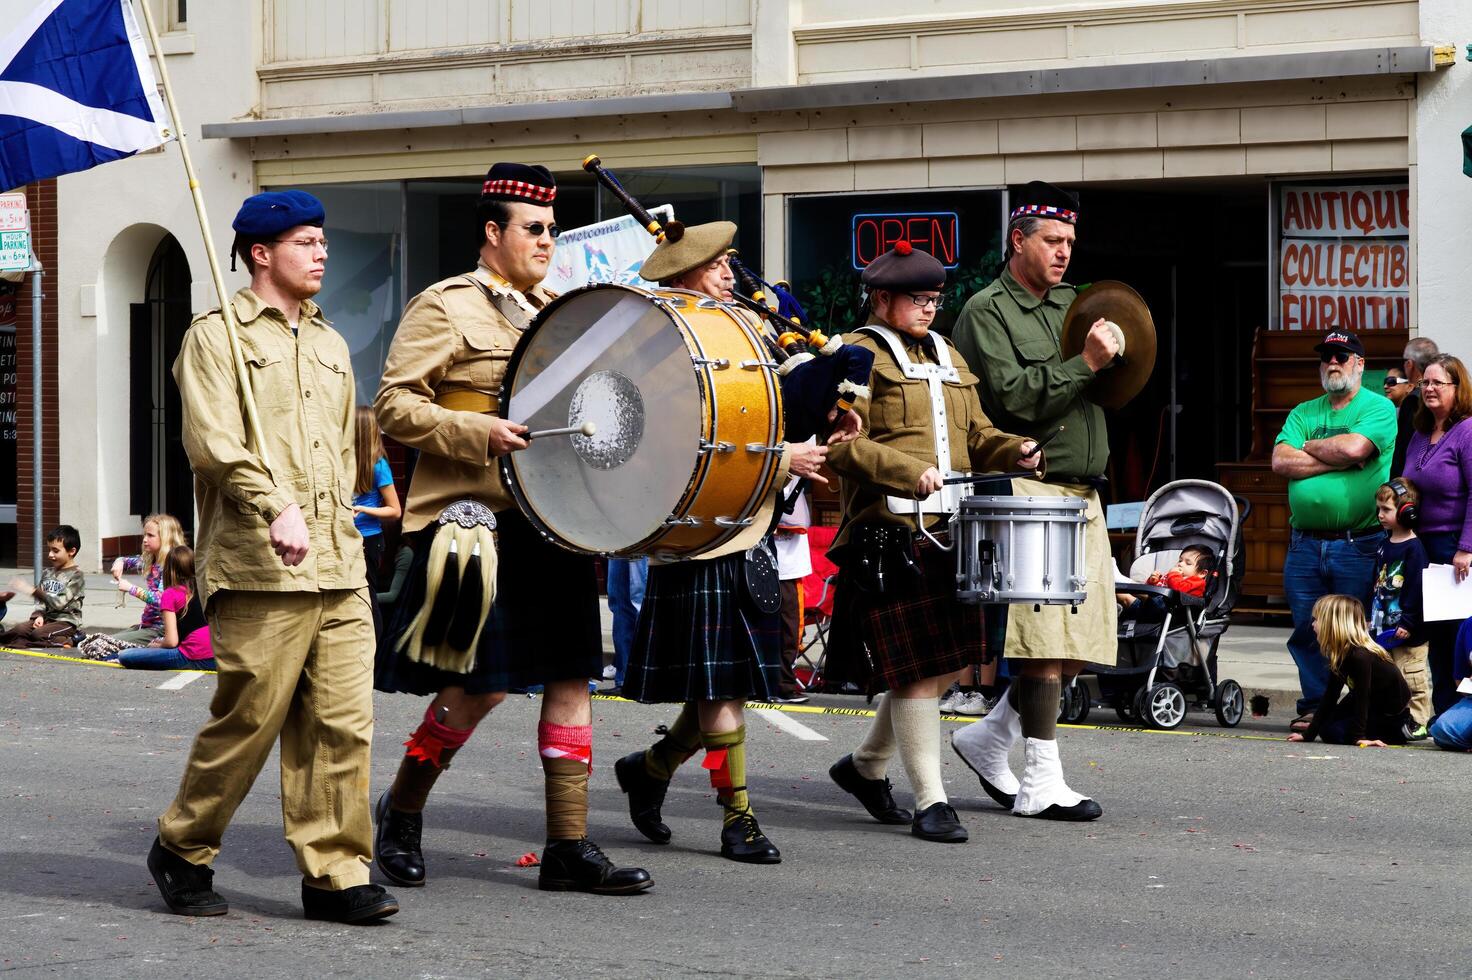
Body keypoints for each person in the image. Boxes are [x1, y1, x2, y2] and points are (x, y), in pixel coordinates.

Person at [373, 163, 650, 895]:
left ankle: (568, 845)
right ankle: (401, 811)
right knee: (481, 688)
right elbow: (394, 407)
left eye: (553, 230)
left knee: (572, 676)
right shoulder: (445, 306)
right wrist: (475, 430)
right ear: (493, 232)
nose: (547, 243)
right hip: (475, 522)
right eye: (534, 230)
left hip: (554, 521)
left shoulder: (560, 312)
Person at [146, 190, 397, 924]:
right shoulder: (214, 336)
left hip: (340, 564)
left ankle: (335, 873)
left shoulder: (329, 344)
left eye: (323, 242)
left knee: (343, 725)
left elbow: (351, 453)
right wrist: (273, 503)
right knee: (248, 722)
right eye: (305, 242)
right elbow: (213, 442)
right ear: (261, 253)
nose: (322, 253)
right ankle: (183, 846)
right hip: (261, 563)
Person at [613, 220, 838, 864]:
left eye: (728, 264)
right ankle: (737, 817)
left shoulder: (744, 332)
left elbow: (769, 414)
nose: (728, 275)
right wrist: (781, 460)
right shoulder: (658, 346)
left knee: (725, 681)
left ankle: (652, 769)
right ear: (684, 275)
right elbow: (678, 447)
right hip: (697, 530)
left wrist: (828, 414)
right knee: (721, 686)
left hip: (752, 521)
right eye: (715, 267)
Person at [822, 241, 1041, 842]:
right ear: (884, 298)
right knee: (918, 673)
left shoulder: (948, 354)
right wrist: (903, 472)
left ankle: (865, 767)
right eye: (918, 300)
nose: (929, 310)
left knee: (939, 668)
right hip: (889, 532)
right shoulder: (855, 356)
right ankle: (931, 800)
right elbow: (841, 445)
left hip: (950, 531)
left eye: (935, 299)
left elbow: (979, 434)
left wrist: (1015, 450)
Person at [950, 181, 1116, 822]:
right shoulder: (986, 311)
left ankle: (989, 735)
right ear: (1018, 240)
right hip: (1028, 490)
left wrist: (1114, 356)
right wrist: (1088, 363)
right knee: (1044, 641)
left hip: (1083, 490)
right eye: (1052, 240)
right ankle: (1040, 780)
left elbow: (1111, 385)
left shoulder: (1076, 304)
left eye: (1070, 241)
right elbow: (1013, 398)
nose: (1064, 252)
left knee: (1082, 643)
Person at [1269, 329, 1396, 734]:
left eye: (1342, 356)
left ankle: (1360, 709)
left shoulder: (1378, 408)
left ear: (1360, 364)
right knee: (1308, 631)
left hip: (1356, 544)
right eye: (1327, 357)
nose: (1333, 363)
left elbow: (1356, 450)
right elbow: (1279, 461)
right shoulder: (1304, 411)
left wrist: (1309, 448)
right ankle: (1314, 708)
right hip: (1304, 544)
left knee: (1356, 635)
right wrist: (1333, 458)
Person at [1398, 353, 1472, 717]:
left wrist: (1466, 548)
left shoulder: (1468, 431)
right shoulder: (1420, 433)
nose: (1428, 388)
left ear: (1457, 389)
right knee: (1429, 636)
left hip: (1453, 549)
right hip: (1420, 547)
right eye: (1424, 382)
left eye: (1437, 383)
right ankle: (1439, 715)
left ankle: (1457, 715)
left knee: (1455, 637)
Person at [1287, 594, 1412, 746]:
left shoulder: (1360, 656)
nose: (1313, 624)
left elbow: (1363, 697)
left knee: (1332, 733)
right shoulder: (1341, 653)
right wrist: (1309, 734)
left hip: (1389, 713)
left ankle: (1395, 733)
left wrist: (1358, 737)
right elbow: (1330, 695)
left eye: (1317, 619)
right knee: (1326, 726)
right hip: (1369, 702)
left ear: (1332, 624)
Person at [80, 514, 189, 661]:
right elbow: (127, 561)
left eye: (150, 535)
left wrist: (131, 588)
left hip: (161, 629)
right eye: (144, 534)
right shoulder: (151, 559)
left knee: (99, 645)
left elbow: (162, 600)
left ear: (166, 537)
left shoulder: (170, 566)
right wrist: (119, 562)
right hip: (148, 625)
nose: (145, 539)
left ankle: (140, 653)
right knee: (97, 642)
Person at [1368, 478, 1430, 734]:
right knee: (1390, 676)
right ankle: (1395, 718)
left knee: (1412, 676)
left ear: (1406, 511)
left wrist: (1408, 621)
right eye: (1379, 509)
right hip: (1383, 626)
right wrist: (1368, 617)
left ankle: (1418, 721)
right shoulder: (1384, 544)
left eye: (1387, 509)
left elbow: (1416, 589)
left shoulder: (1415, 549)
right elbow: (1376, 583)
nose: (1380, 515)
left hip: (1407, 630)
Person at [118, 546, 216, 672]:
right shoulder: (202, 589)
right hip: (216, 655)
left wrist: (157, 645)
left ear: (168, 570)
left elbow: (171, 642)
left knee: (126, 655)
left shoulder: (170, 594)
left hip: (193, 655)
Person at [2, 525, 85, 648]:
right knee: (19, 630)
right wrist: (39, 616)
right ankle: (27, 640)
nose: (50, 555)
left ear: (71, 551)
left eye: (55, 551)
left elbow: (59, 603)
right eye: (49, 549)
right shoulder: (47, 573)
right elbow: (41, 601)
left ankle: (73, 639)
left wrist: (33, 591)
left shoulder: (77, 576)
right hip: (47, 619)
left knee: (38, 634)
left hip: (66, 622)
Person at [351, 404, 401, 595]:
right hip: (344, 536)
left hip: (368, 539)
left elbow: (395, 511)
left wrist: (362, 509)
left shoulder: (379, 466)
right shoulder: (341, 460)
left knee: (367, 596)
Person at [773, 474, 813, 704]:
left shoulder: (801, 477)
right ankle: (771, 684)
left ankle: (783, 684)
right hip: (759, 563)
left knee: (790, 631)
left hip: (790, 567)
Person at [1117, 545, 1215, 624]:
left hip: (1170, 612)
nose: (1180, 564)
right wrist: (1153, 581)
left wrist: (1173, 574)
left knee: (1144, 594)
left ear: (1202, 573)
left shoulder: (1197, 582)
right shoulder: (1174, 577)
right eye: (1180, 560)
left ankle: (1123, 581)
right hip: (1151, 608)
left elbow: (1177, 589)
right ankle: (1112, 588)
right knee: (1124, 597)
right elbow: (1156, 589)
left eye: (1188, 563)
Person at [1391, 336, 1438, 478]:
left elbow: (1405, 448)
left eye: (1404, 362)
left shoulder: (1413, 400)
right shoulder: (1444, 396)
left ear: (1410, 364)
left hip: (1414, 480)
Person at [604, 557, 647, 691]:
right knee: (619, 601)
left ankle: (639, 678)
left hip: (642, 540)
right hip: (620, 541)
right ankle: (625, 679)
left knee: (640, 600)